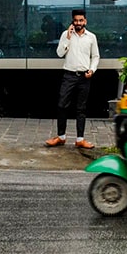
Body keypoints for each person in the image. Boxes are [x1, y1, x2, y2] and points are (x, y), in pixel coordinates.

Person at [45, 9, 99, 149]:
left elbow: (96, 56)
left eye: (81, 20)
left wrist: (92, 70)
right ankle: (61, 137)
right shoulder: (66, 34)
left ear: (85, 21)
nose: (78, 23)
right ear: (72, 21)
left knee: (81, 108)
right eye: (76, 21)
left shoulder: (91, 37)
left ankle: (80, 139)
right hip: (69, 75)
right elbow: (59, 53)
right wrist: (68, 39)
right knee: (62, 105)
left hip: (84, 77)